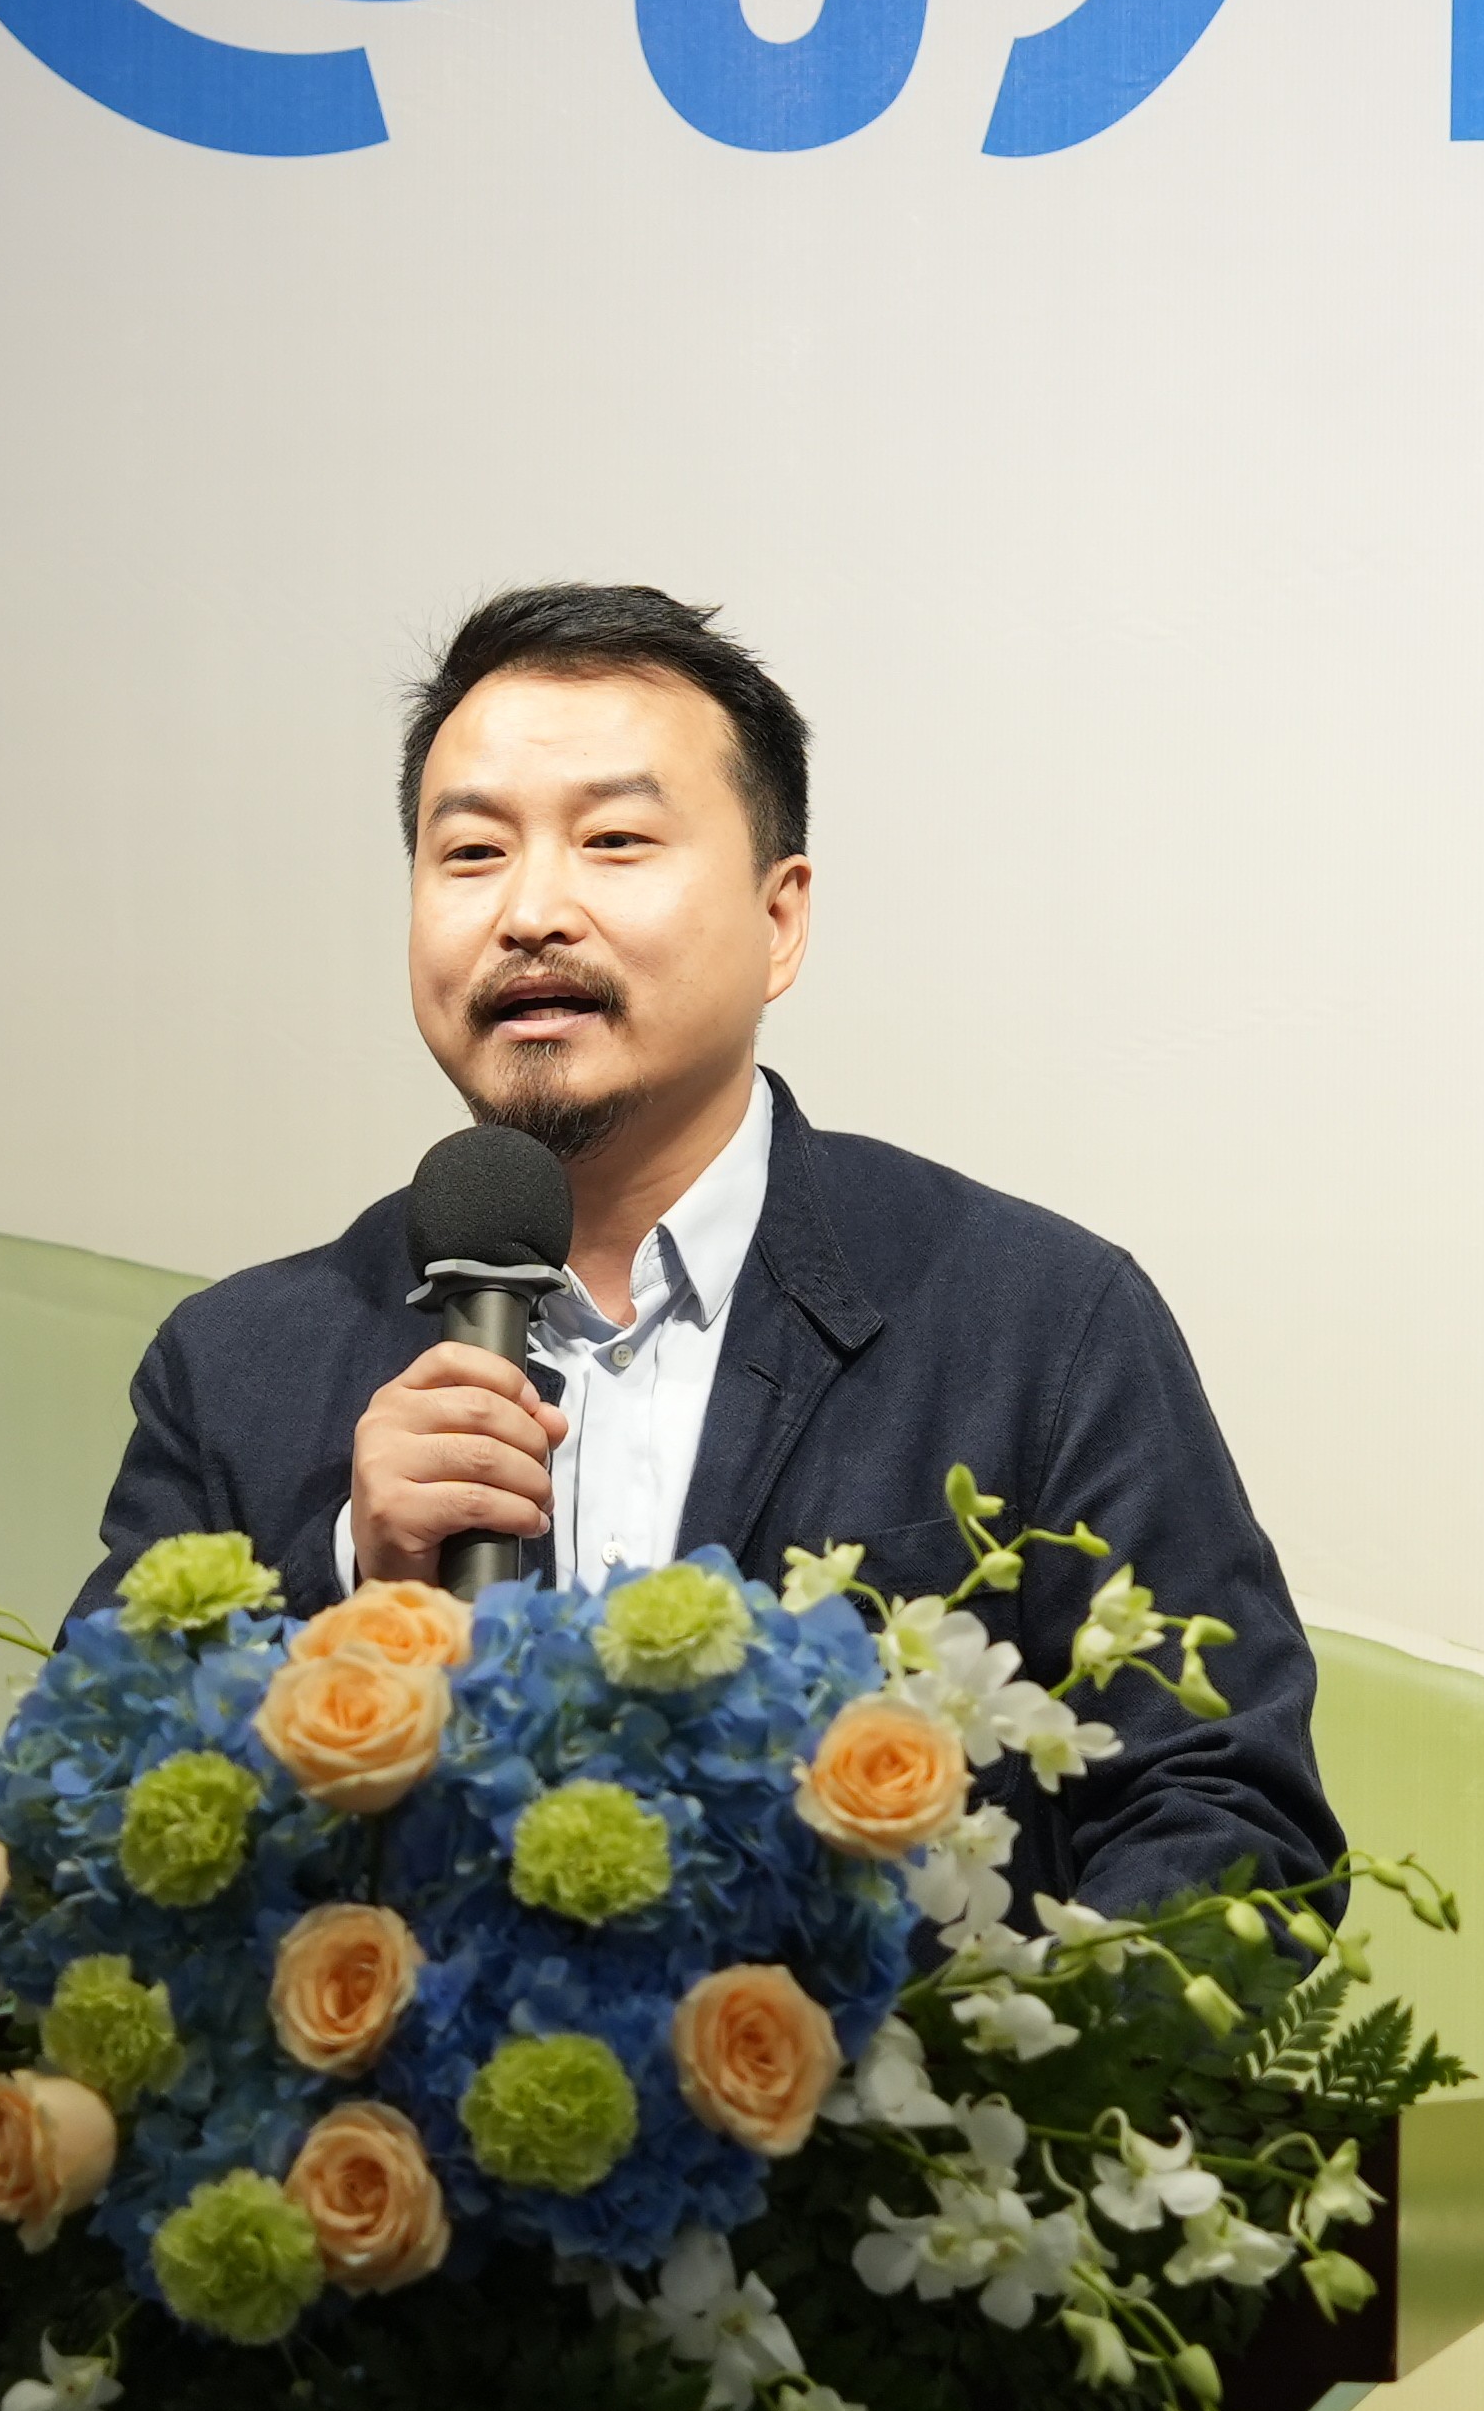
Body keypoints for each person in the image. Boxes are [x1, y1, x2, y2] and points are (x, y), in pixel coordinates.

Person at [85, 580, 1339, 1914]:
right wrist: (356, 1595)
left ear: (778, 921)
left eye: (615, 841)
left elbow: (1226, 1814)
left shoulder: (1037, 1323)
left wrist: (950, 2046)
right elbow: (89, 1847)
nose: (531, 910)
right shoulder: (236, 1371)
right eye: (472, 853)